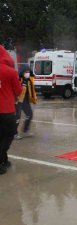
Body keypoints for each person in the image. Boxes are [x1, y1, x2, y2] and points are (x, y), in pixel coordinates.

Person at [0, 44, 22, 174]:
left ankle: (4, 159)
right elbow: (18, 91)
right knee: (9, 134)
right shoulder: (11, 71)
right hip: (7, 111)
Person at [15, 66, 37, 139]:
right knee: (17, 117)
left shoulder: (29, 80)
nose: (27, 73)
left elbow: (32, 90)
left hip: (25, 100)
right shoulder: (18, 79)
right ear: (22, 72)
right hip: (18, 100)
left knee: (29, 115)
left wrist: (33, 98)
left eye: (28, 72)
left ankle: (25, 130)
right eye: (26, 72)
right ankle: (14, 133)